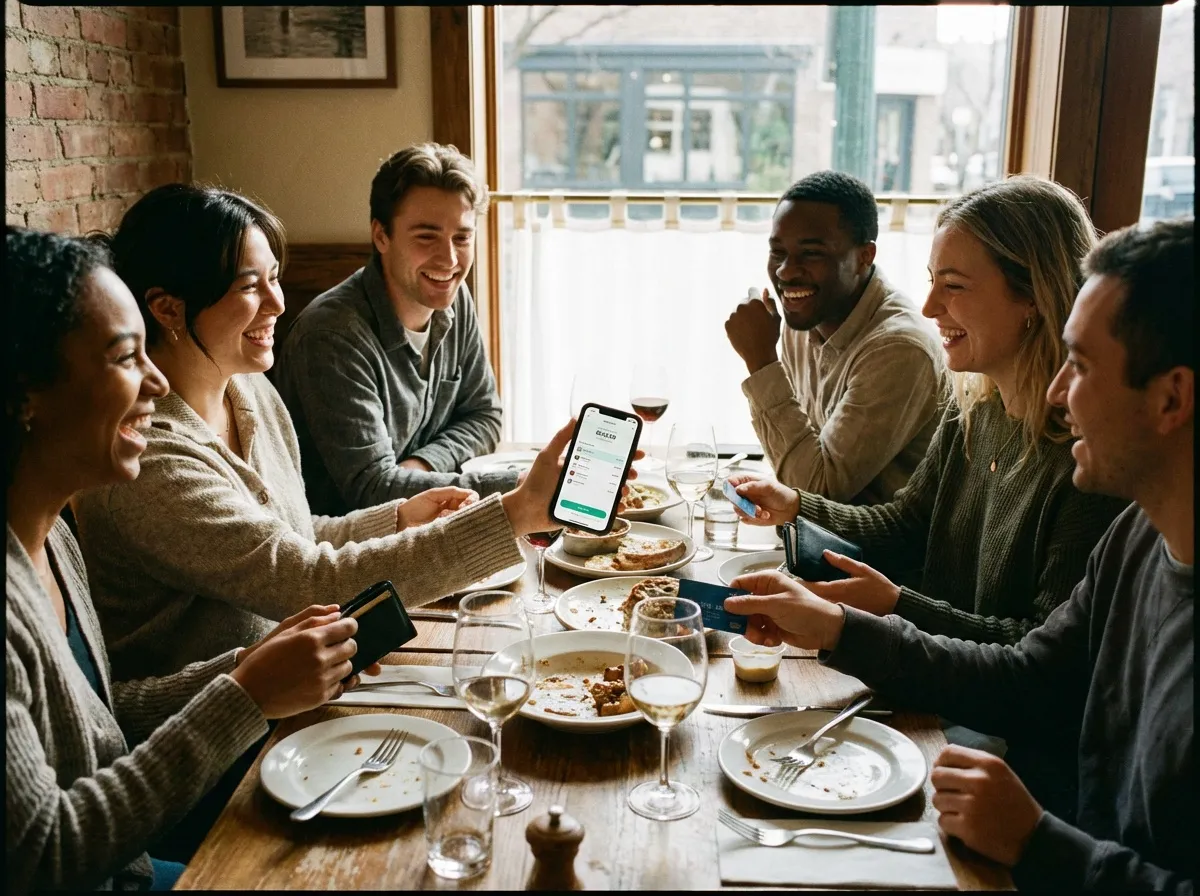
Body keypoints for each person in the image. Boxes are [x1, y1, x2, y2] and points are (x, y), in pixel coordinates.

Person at [724, 217, 1194, 892]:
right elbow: (1026, 677)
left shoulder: (1107, 508)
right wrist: (839, 628)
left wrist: (1038, 843)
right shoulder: (1141, 539)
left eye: (1083, 367)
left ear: (1172, 397)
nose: (1062, 393)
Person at [71, 184, 627, 683]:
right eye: (250, 287)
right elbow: (307, 580)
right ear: (169, 307)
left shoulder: (248, 391)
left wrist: (397, 517)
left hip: (306, 674)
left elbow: (290, 532)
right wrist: (513, 513)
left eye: (275, 279)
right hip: (219, 727)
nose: (278, 304)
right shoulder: (151, 457)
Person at [5, 227, 381, 892]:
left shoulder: (54, 541)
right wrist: (244, 698)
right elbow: (43, 855)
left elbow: (104, 720)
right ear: (26, 391)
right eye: (125, 357)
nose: (155, 379)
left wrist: (248, 669)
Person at [729, 175, 1128, 645]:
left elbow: (1036, 660)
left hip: (972, 711)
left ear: (1032, 297)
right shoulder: (976, 411)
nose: (930, 305)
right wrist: (795, 506)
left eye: (954, 286)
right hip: (930, 674)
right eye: (932, 281)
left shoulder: (1088, 462)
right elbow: (907, 524)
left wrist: (894, 606)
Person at [274, 143, 514, 516]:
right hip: (346, 551)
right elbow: (372, 490)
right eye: (426, 236)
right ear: (381, 236)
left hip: (428, 529)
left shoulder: (454, 295)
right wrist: (522, 485)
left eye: (462, 237)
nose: (449, 259)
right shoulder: (331, 335)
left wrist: (422, 464)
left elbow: (485, 415)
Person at [724, 170, 944, 504]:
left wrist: (761, 362)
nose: (785, 271)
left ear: (864, 257)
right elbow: (803, 463)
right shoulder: (807, 316)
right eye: (778, 252)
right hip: (815, 539)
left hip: (878, 552)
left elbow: (817, 491)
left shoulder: (900, 349)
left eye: (811, 253)